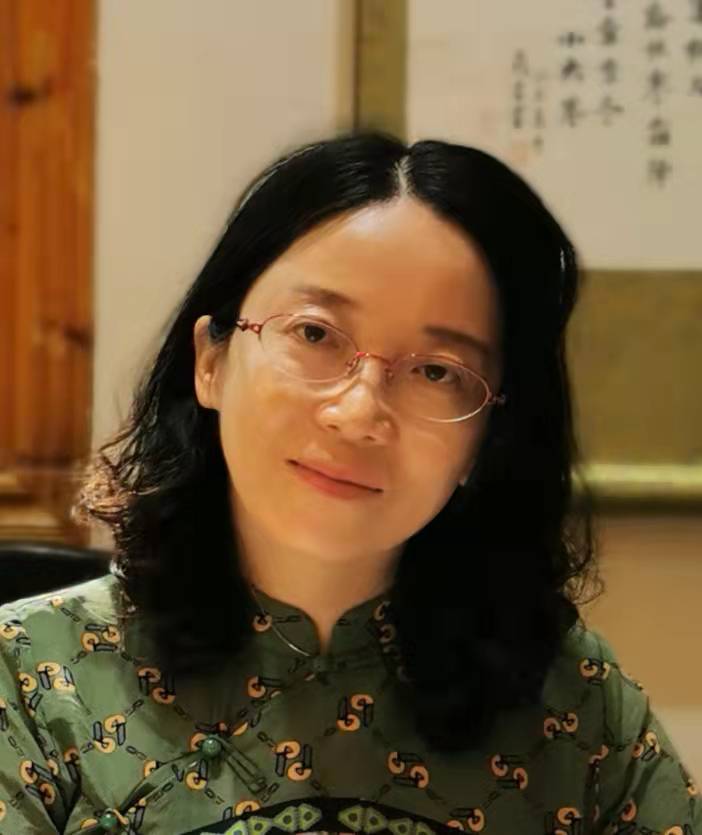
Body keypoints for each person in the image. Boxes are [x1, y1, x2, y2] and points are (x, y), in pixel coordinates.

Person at [0, 132, 698, 835]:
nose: (360, 412)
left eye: (437, 371)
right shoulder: (33, 676)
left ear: (489, 435)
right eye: (315, 334)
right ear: (210, 361)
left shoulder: (578, 710)